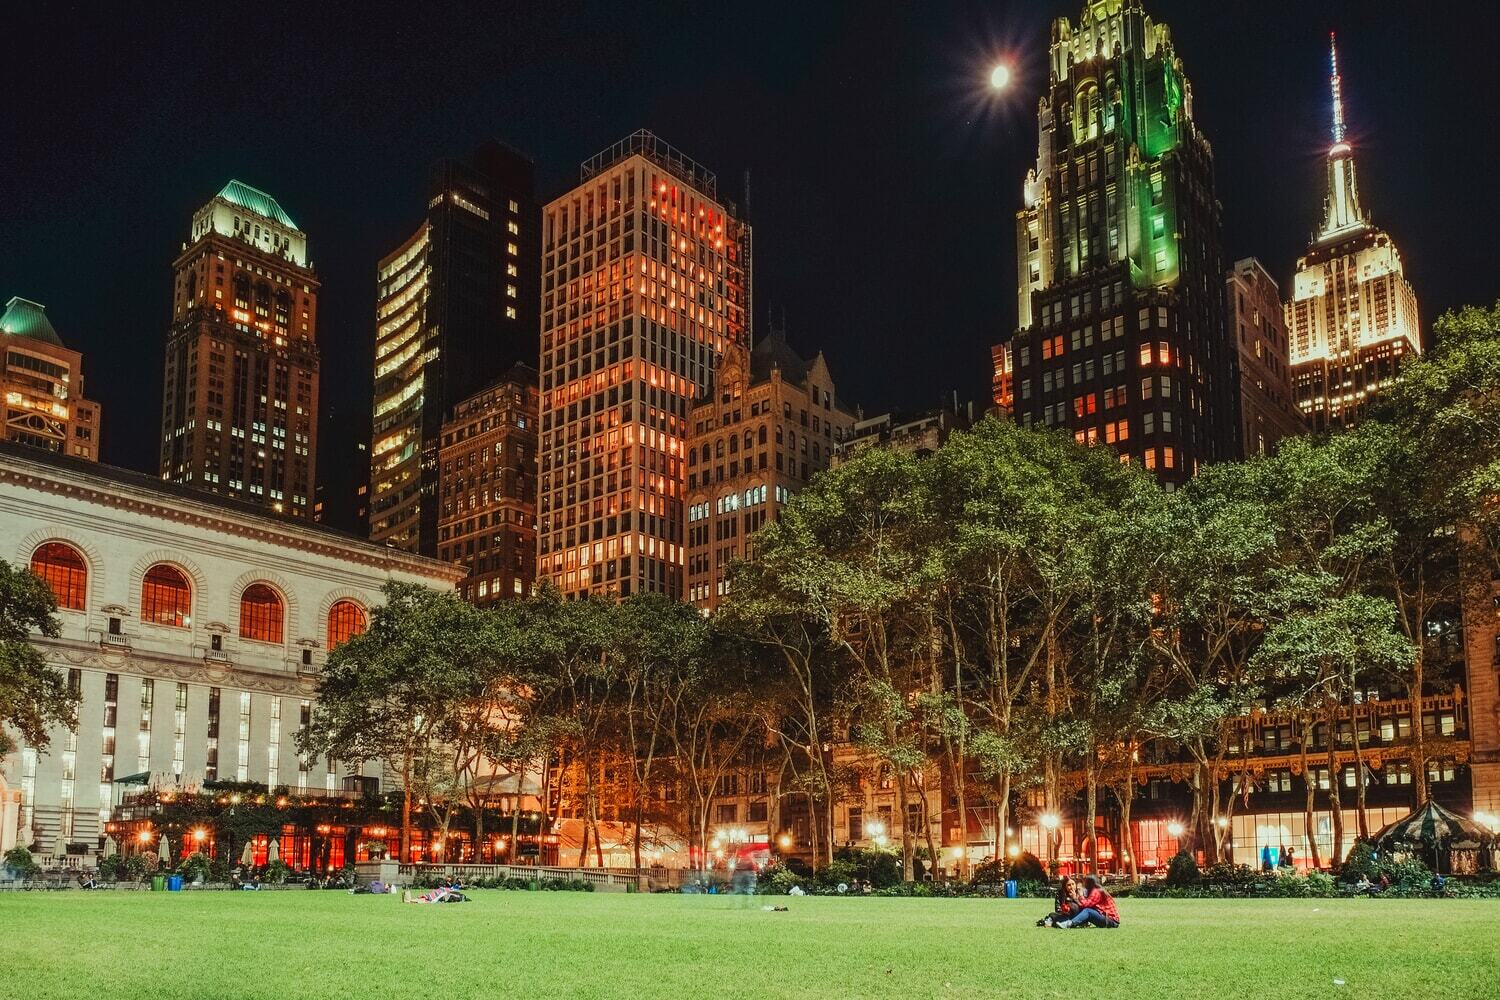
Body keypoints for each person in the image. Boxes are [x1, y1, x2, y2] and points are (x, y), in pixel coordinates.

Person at [1055, 875, 1120, 929]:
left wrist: (1077, 897)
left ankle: (1069, 924)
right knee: (1087, 910)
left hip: (1111, 921)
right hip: (1107, 918)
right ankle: (1075, 923)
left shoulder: (1096, 892)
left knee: (1088, 911)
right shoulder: (1095, 890)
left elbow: (1085, 905)